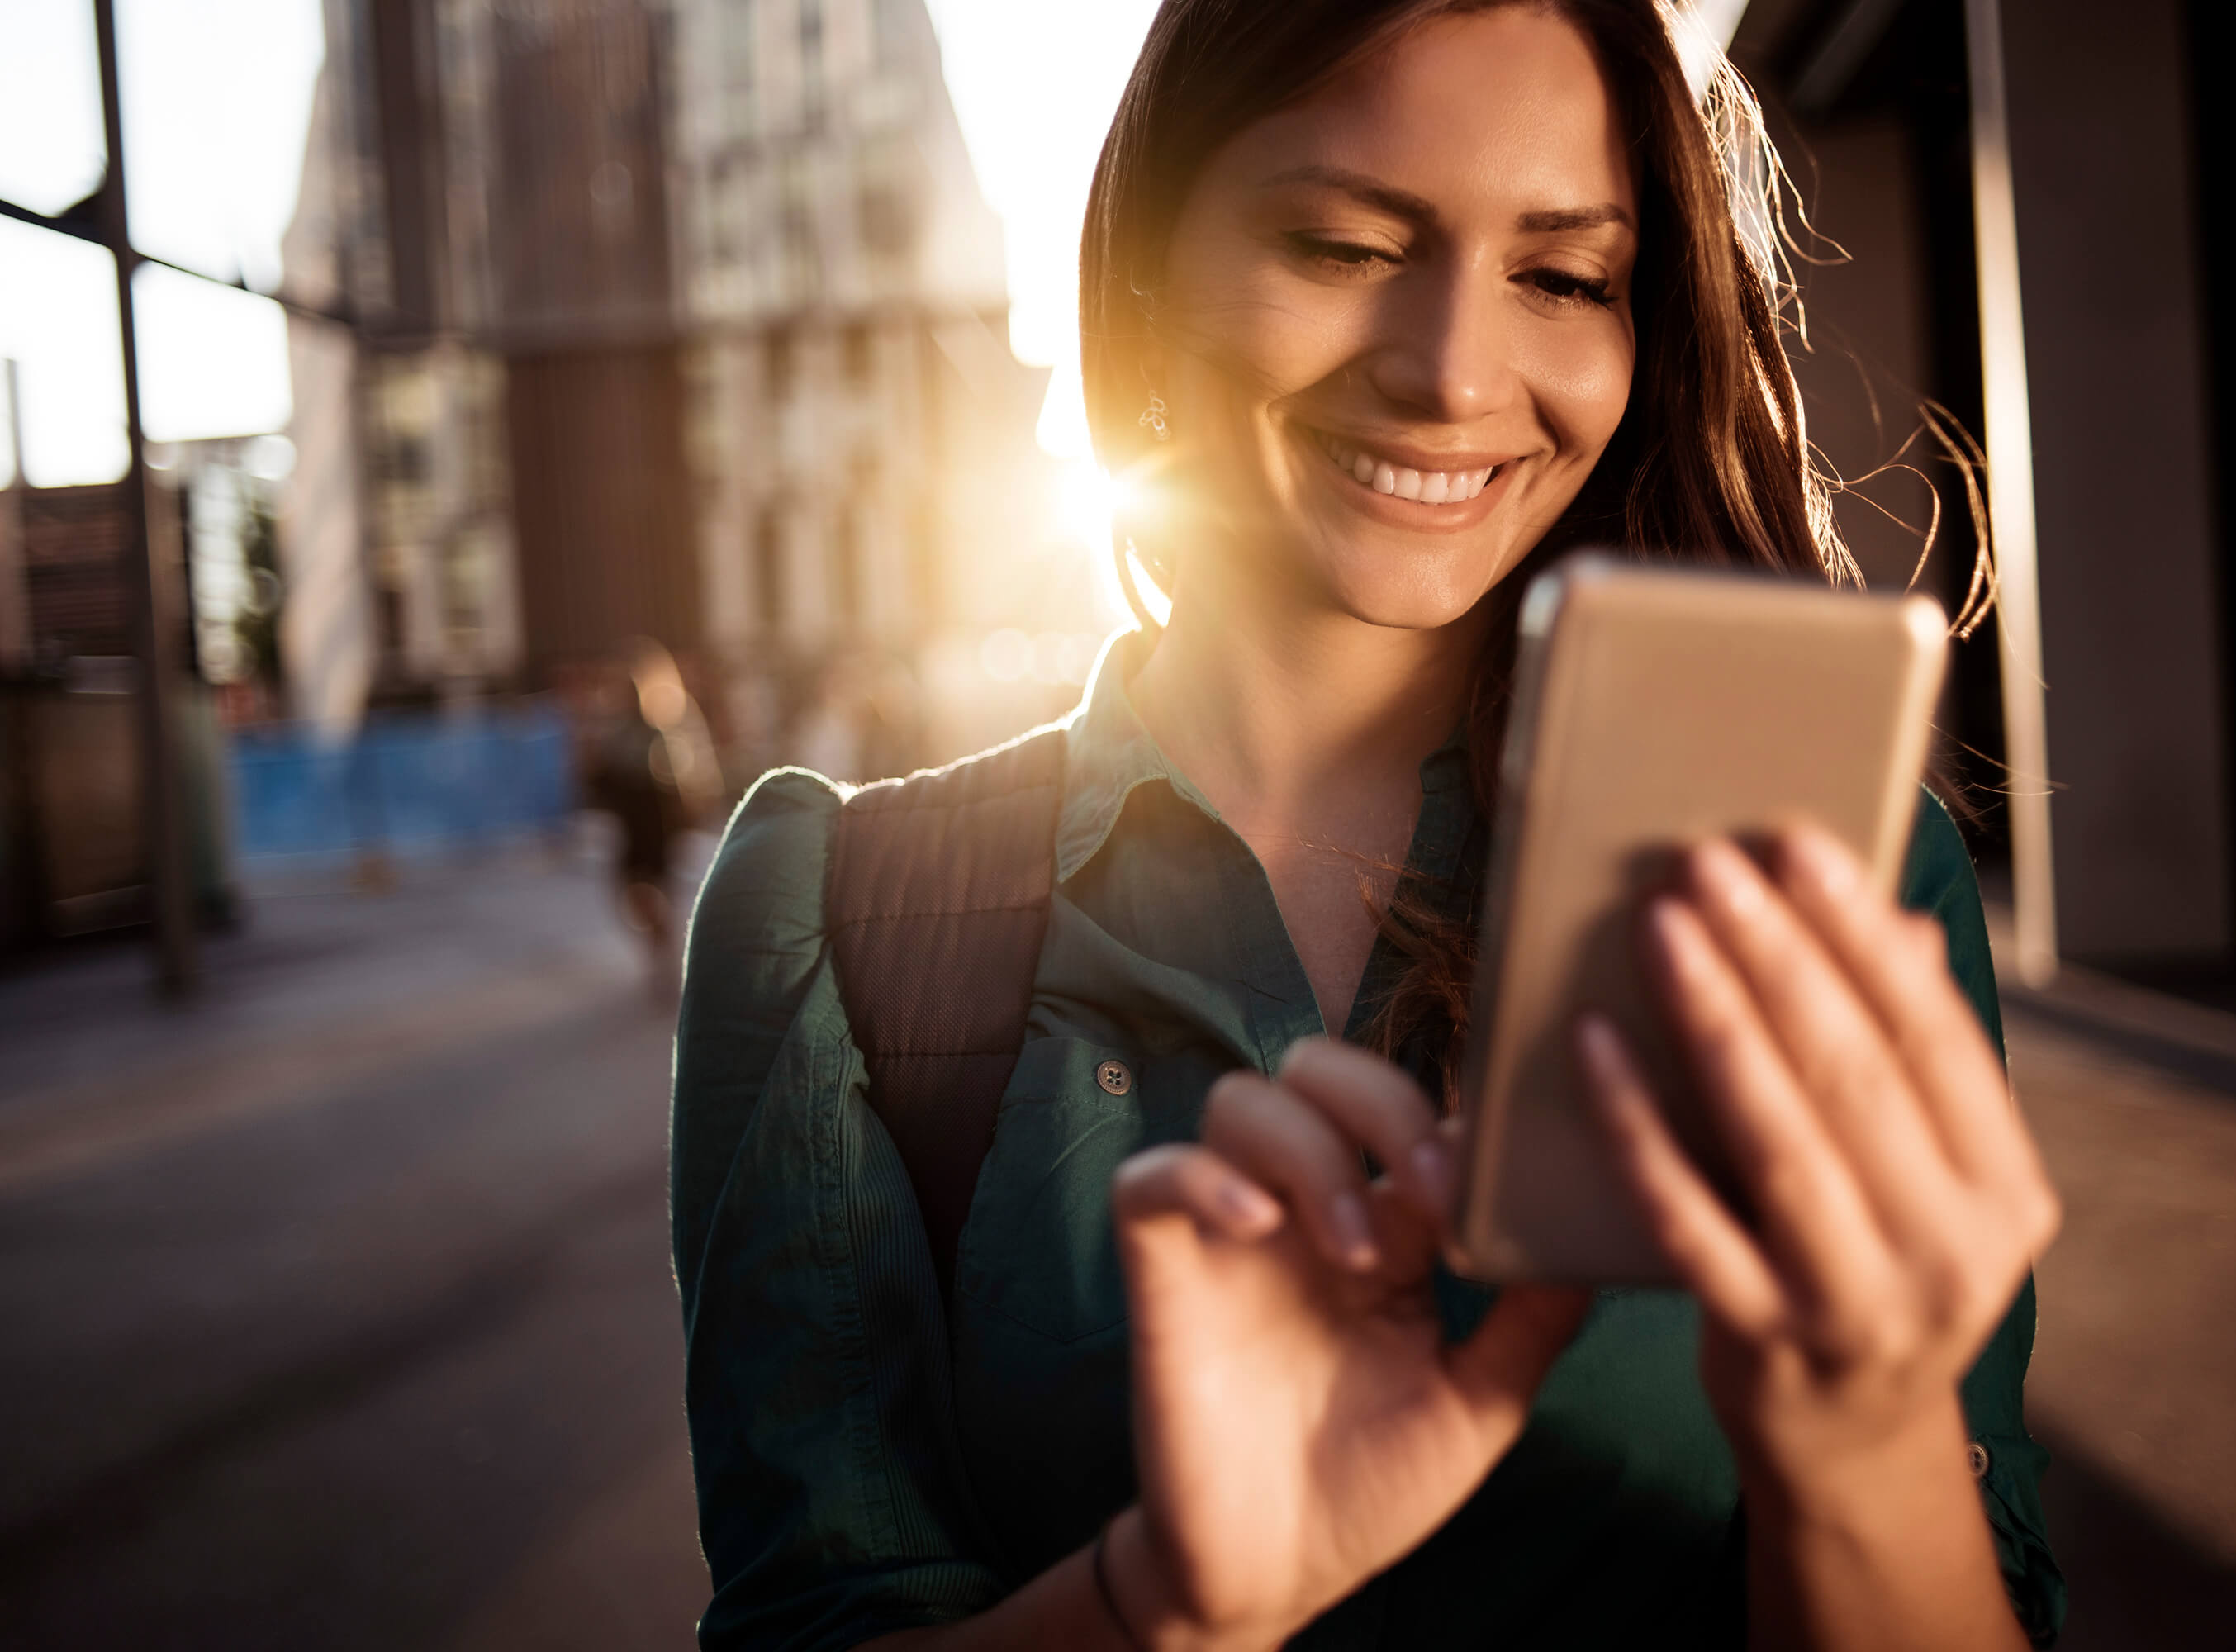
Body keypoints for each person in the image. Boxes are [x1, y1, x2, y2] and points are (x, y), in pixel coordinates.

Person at [672, 2, 2066, 1647]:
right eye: (1340, 245)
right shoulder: (842, 916)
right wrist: (1164, 1603)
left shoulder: (1813, 878)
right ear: (1139, 264)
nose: (1453, 371)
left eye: (1560, 277)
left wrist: (1866, 1449)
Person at [586, 638, 719, 998]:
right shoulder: (616, 725)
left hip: (656, 818)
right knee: (633, 893)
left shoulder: (665, 720)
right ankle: (661, 950)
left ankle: (663, 956)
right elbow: (603, 775)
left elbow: (686, 770)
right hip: (632, 820)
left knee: (655, 891)